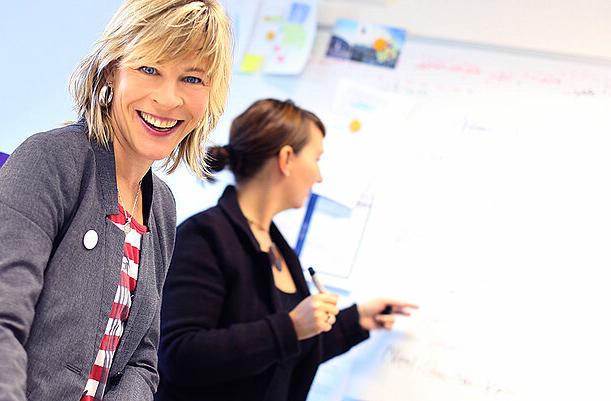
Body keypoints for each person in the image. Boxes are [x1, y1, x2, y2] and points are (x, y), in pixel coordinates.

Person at [0, 1, 231, 400]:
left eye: (192, 78)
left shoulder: (162, 207)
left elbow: (142, 360)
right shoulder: (49, 161)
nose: (168, 99)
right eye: (149, 69)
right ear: (111, 72)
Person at [155, 99, 418, 401]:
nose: (319, 176)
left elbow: (285, 353)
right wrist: (290, 327)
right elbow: (179, 356)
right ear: (287, 159)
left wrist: (355, 320)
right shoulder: (204, 236)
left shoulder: (278, 247)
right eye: (317, 159)